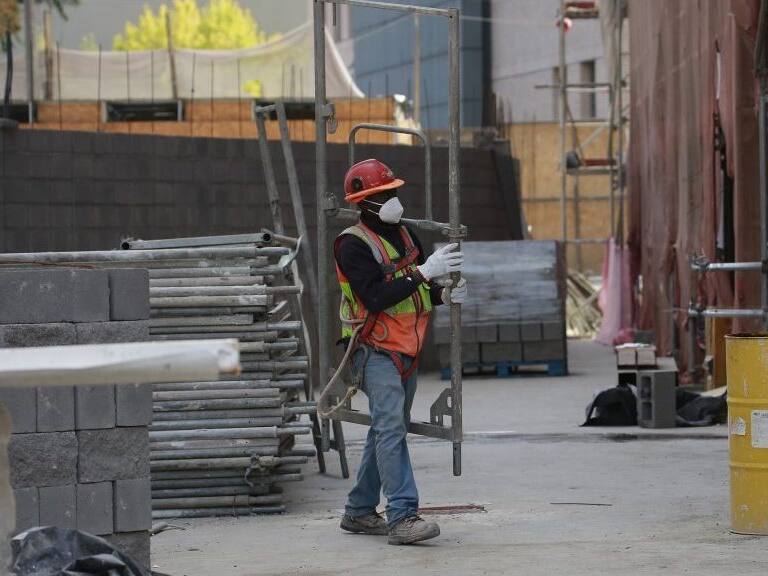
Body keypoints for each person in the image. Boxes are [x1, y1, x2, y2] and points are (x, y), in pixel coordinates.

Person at [334, 158, 466, 545]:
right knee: (391, 428)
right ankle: (403, 516)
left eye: (393, 191)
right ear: (364, 202)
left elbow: (416, 290)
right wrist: (424, 272)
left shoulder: (406, 235)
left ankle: (358, 511)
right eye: (384, 194)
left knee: (386, 428)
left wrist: (442, 294)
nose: (393, 199)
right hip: (371, 348)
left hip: (406, 347)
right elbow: (375, 297)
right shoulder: (351, 245)